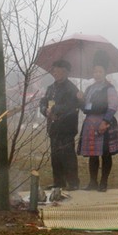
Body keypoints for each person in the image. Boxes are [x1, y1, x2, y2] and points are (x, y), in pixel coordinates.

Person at [77, 52, 118, 192]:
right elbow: (85, 108)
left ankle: (103, 182)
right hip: (90, 123)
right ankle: (92, 182)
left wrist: (105, 122)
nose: (97, 74)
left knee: (105, 154)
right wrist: (81, 100)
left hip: (104, 123)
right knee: (93, 154)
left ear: (105, 72)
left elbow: (113, 106)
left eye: (100, 71)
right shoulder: (89, 88)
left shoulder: (109, 88)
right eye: (95, 71)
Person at [39, 59, 81, 191]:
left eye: (57, 71)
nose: (55, 73)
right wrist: (45, 111)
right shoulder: (51, 88)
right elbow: (43, 103)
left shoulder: (72, 89)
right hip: (53, 127)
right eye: (54, 71)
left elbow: (72, 106)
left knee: (67, 155)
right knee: (55, 156)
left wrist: (55, 110)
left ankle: (73, 182)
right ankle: (58, 182)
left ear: (65, 72)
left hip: (67, 127)